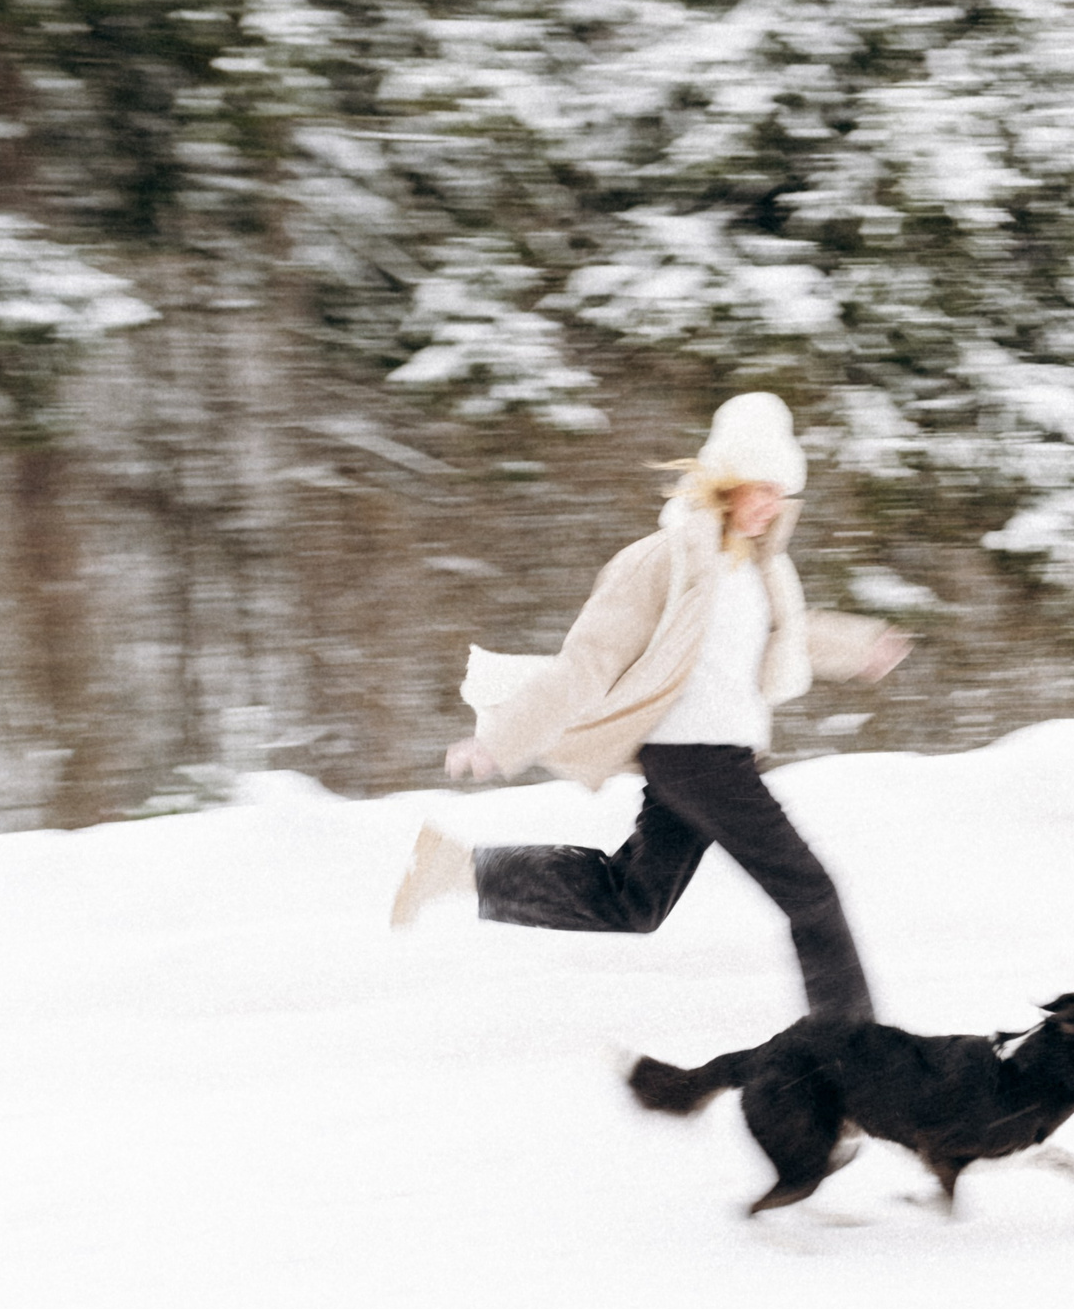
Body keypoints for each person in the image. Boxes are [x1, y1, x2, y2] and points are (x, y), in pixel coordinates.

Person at [389, 391, 909, 1023]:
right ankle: (856, 1060)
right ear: (724, 483)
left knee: (635, 900)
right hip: (701, 759)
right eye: (759, 488)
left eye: (782, 492)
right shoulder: (664, 560)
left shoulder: (757, 571)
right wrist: (503, 740)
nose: (772, 506)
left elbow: (790, 634)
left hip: (705, 758)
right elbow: (588, 661)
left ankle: (459, 869)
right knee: (812, 894)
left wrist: (861, 647)